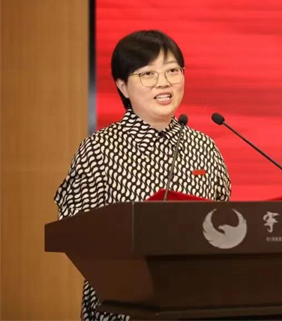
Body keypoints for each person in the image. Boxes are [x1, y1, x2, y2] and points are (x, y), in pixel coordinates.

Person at [54, 30, 231, 321]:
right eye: (148, 74)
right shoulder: (100, 148)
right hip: (124, 307)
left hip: (195, 303)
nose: (163, 82)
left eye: (172, 70)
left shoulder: (204, 146)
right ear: (123, 86)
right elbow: (77, 230)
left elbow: (222, 221)